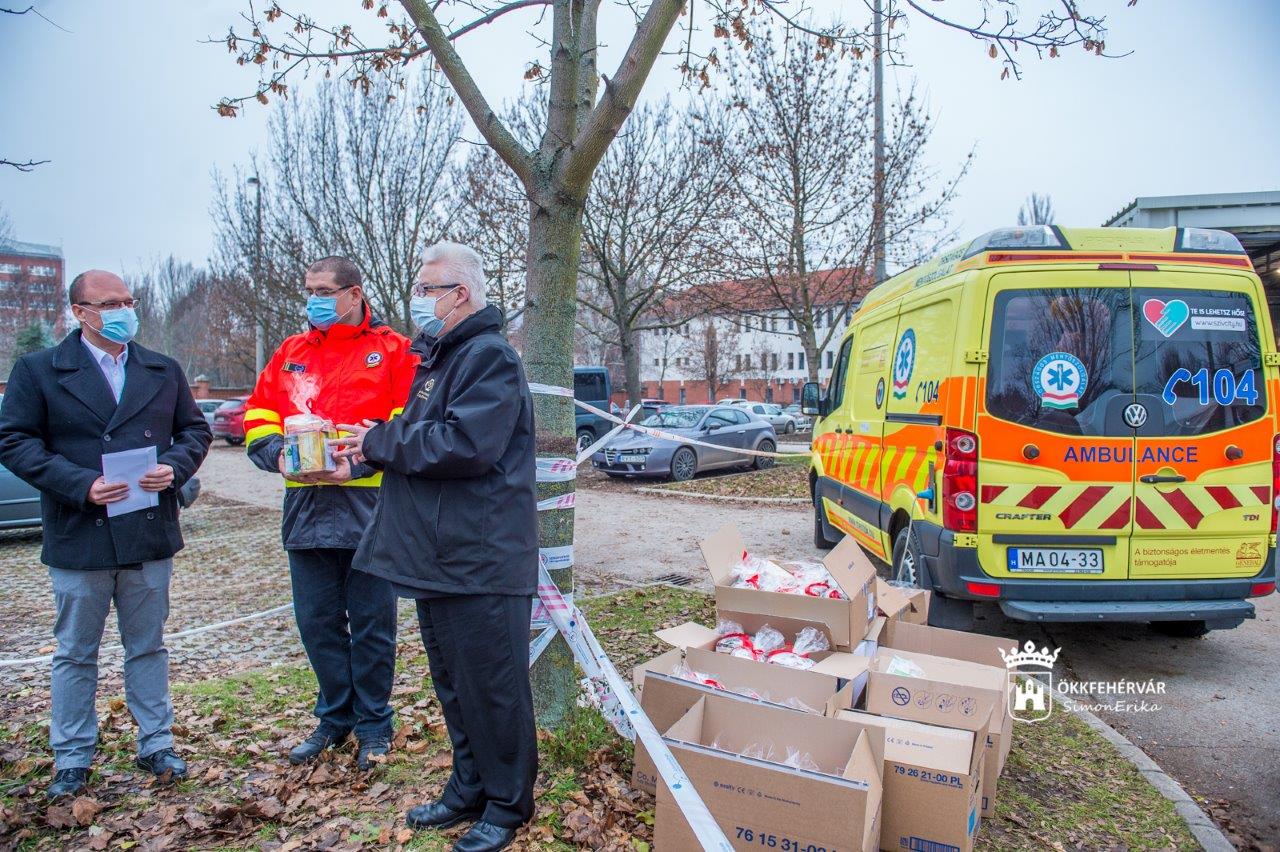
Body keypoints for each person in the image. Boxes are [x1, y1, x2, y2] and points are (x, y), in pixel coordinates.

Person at [335, 242, 537, 852]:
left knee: (493, 688)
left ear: (463, 295)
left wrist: (379, 442)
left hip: (481, 558)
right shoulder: (439, 358)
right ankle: (468, 787)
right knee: (454, 683)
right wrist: (368, 451)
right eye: (418, 287)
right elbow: (420, 440)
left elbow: (464, 445)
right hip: (439, 556)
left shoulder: (490, 357)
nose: (417, 299)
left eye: (430, 288)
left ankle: (507, 804)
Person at [0, 270, 212, 799]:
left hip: (147, 531)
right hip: (80, 534)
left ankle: (156, 743)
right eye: (109, 303)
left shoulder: (162, 368)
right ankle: (72, 756)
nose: (123, 310)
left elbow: (194, 430)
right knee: (75, 652)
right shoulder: (39, 370)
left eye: (128, 301)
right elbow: (14, 440)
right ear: (80, 312)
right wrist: (81, 485)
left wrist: (174, 467)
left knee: (148, 646)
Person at [242, 256, 417, 770]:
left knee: (372, 625)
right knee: (316, 623)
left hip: (371, 507)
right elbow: (258, 414)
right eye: (308, 289)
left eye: (322, 289)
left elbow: (407, 425)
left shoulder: (393, 351)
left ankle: (374, 725)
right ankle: (334, 718)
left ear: (353, 294)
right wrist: (275, 454)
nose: (313, 298)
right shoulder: (291, 351)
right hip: (307, 506)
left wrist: (361, 464)